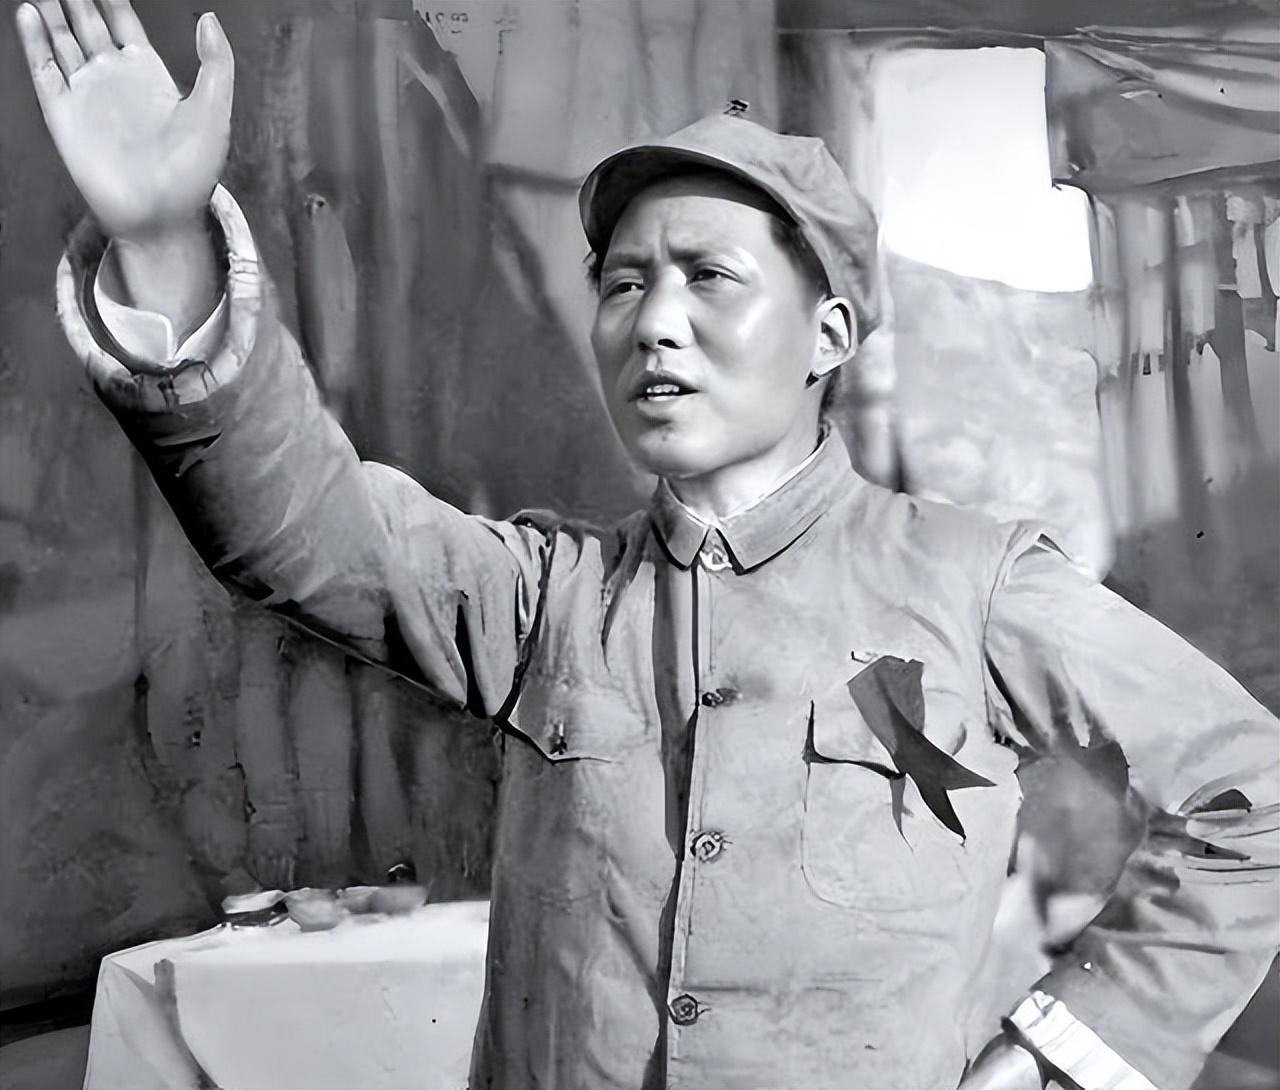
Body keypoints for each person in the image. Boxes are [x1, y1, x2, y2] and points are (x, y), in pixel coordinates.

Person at [16, 3, 1279, 1089]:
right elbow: (295, 531)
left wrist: (1058, 1058)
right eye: (622, 283)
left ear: (829, 335)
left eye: (707, 277)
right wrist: (163, 246)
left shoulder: (971, 580)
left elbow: (1252, 793)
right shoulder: (544, 599)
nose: (653, 322)